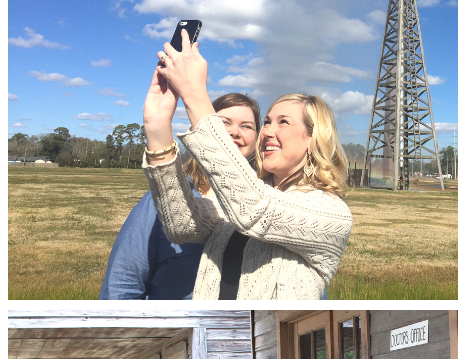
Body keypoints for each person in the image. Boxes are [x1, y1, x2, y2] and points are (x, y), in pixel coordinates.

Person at [142, 29, 353, 299]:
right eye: (266, 122)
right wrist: (157, 125)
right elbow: (181, 224)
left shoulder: (332, 214)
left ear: (313, 139)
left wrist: (195, 95)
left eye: (283, 122)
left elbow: (254, 208)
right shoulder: (244, 200)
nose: (266, 132)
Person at [99, 93, 260, 299]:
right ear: (203, 131)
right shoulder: (164, 199)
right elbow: (123, 283)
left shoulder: (266, 201)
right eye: (223, 123)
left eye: (247, 126)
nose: (234, 131)